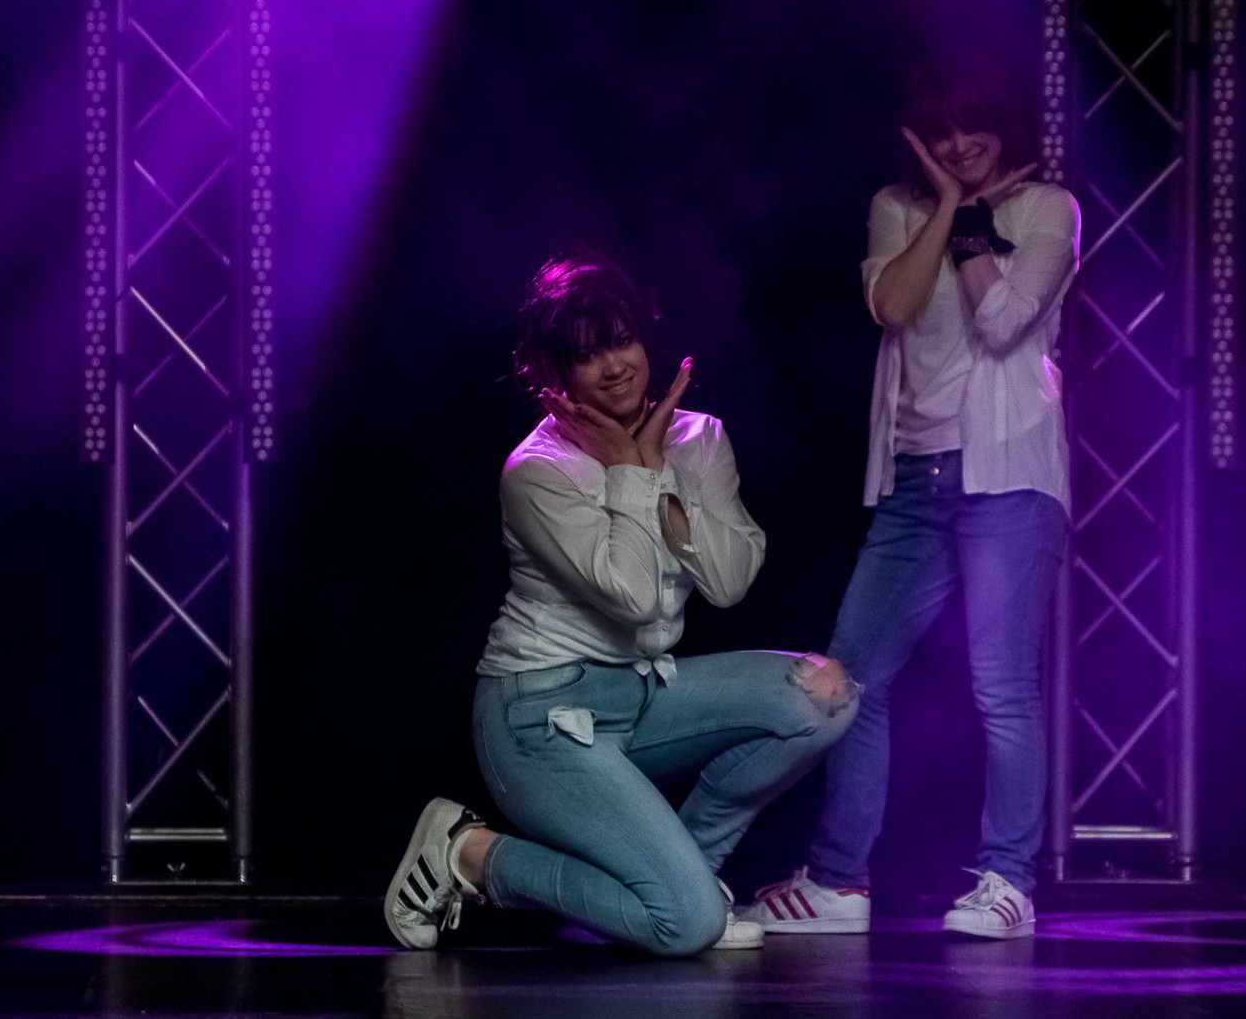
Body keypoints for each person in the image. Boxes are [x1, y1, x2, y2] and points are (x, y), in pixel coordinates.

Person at [384, 255, 859, 957]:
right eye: (586, 355)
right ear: (552, 375)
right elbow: (634, 600)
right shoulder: (537, 471)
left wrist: (660, 470)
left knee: (824, 696)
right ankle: (472, 854)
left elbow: (729, 582)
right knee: (685, 926)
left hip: (640, 694)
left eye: (621, 340)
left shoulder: (699, 438)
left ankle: (690, 873)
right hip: (535, 718)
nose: (614, 366)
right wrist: (631, 470)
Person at [745, 57, 1079, 940]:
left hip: (1009, 476)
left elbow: (1002, 323)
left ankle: (1008, 883)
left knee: (1002, 685)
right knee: (849, 677)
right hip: (912, 480)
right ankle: (839, 880)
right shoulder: (896, 206)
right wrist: (947, 207)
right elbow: (892, 306)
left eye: (973, 128)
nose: (959, 144)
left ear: (1004, 125)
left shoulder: (1048, 208)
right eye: (940, 133)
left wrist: (971, 223)